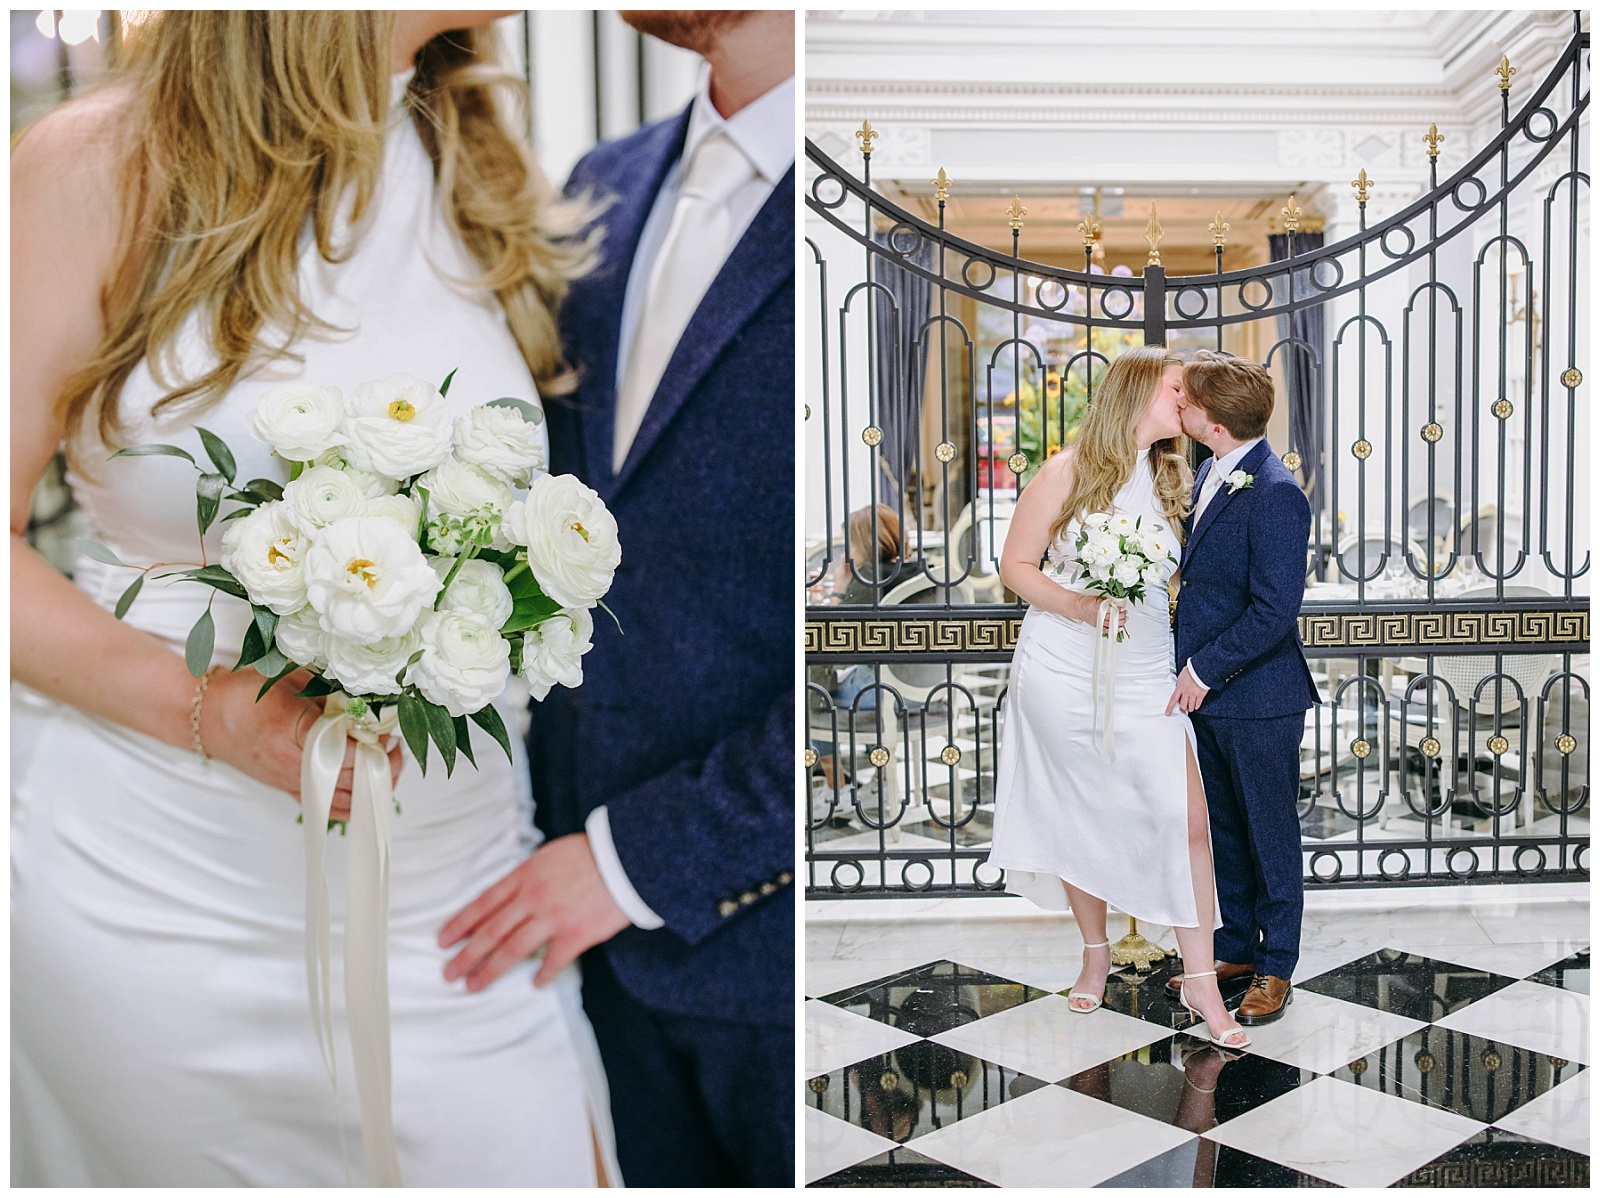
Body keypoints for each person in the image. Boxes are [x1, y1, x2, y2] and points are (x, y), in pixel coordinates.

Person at [12, 11, 618, 1186]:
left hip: (458, 914)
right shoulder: (98, 167)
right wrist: (218, 714)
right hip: (165, 906)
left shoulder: (478, 165)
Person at [435, 10, 795, 1187]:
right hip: (561, 935)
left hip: (777, 943)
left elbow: (892, 655)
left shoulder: (888, 201)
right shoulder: (604, 181)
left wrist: (639, 858)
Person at [986, 345, 1250, 1050]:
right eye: (1176, 391)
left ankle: (1200, 976)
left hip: (1144, 670)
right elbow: (1015, 566)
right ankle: (1095, 953)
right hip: (1063, 665)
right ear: (1136, 395)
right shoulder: (1063, 473)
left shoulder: (1179, 479)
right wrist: (1076, 604)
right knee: (1078, 814)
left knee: (1186, 818)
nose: (1187, 404)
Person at [1164, 349, 1319, 1025]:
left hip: (1259, 697)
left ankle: (1276, 965)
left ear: (1214, 420)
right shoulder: (1209, 471)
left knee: (1270, 832)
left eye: (1188, 400)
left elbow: (1273, 609)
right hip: (1214, 698)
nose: (1181, 407)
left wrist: (1200, 669)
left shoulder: (1277, 491)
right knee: (1225, 828)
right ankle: (1234, 945)